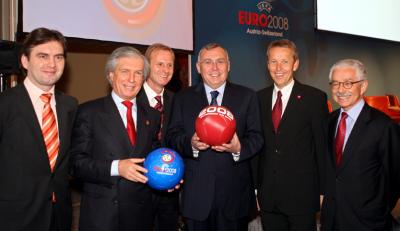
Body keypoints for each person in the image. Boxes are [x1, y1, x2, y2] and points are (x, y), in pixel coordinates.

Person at [166, 43, 264, 231]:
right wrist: (191, 144)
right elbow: (172, 136)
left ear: (229, 65)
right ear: (198, 67)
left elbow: (257, 137)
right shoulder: (182, 98)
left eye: (220, 62)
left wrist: (238, 148)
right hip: (196, 198)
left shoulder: (247, 96)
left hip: (234, 198)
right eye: (208, 62)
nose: (215, 68)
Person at [69, 46, 161, 231]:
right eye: (125, 71)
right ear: (111, 76)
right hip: (102, 215)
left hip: (139, 215)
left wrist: (166, 177)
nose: (132, 79)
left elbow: (153, 157)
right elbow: (76, 164)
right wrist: (116, 167)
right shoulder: (89, 112)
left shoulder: (152, 115)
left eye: (138, 73)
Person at [0, 28, 78, 231]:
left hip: (59, 216)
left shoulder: (71, 106)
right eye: (43, 56)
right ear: (25, 61)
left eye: (58, 57)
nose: (52, 64)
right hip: (14, 218)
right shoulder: (4, 105)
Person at [253, 39, 328, 231]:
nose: (278, 68)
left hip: (301, 196)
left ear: (295, 64)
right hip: (268, 197)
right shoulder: (257, 99)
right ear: (267, 64)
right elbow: (256, 148)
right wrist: (255, 190)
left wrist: (322, 191)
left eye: (285, 62)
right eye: (273, 61)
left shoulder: (314, 98)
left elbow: (321, 147)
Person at [320, 59, 400, 231]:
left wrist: (377, 210)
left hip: (368, 222)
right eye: (335, 84)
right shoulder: (328, 121)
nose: (340, 90)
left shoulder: (384, 126)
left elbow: (395, 178)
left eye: (348, 83)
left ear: (363, 86)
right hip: (331, 219)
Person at [137, 43, 179, 230]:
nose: (165, 70)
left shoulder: (177, 100)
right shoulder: (131, 97)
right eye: (160, 64)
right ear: (147, 66)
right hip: (138, 187)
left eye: (169, 65)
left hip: (169, 188)